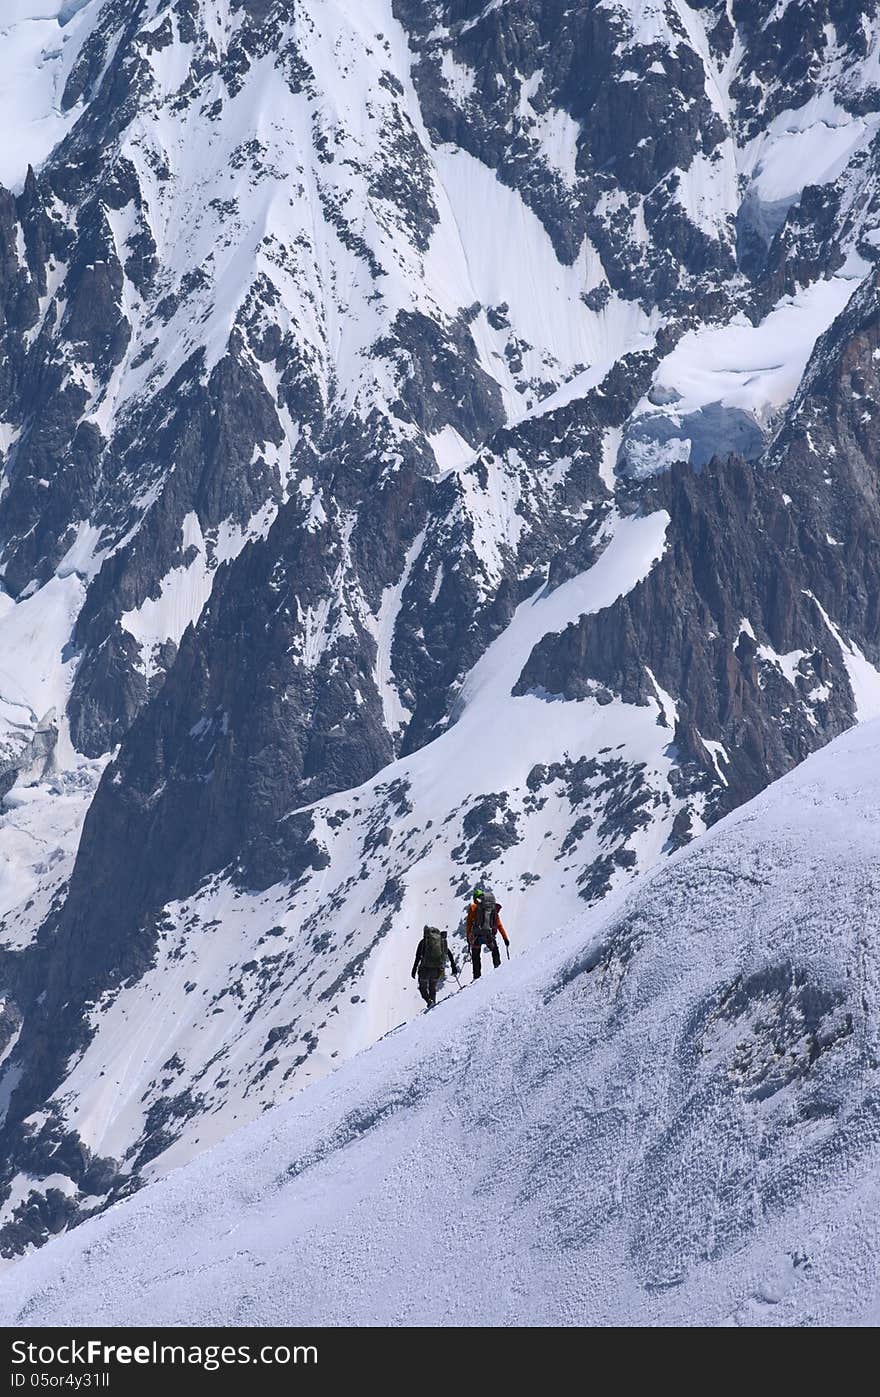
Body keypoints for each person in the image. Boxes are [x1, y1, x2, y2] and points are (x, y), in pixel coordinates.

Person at [466, 885, 509, 979]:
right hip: (489, 936)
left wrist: (468, 938)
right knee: (495, 951)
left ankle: (477, 976)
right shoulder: (492, 908)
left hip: (477, 937)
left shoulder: (473, 908)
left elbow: (469, 924)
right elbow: (499, 925)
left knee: (476, 956)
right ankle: (498, 969)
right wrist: (505, 938)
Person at [411, 925, 459, 1008]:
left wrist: (414, 969)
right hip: (436, 970)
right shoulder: (440, 942)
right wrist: (453, 966)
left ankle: (429, 1002)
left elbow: (418, 956)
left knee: (422, 988)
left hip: (424, 969)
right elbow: (449, 953)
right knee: (432, 988)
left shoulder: (423, 942)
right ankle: (433, 1004)